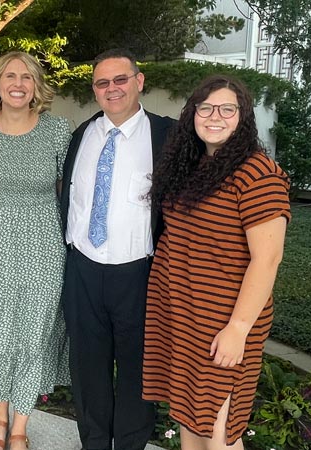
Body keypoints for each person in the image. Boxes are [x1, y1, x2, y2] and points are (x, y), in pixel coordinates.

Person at [143, 75, 290, 449]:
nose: (214, 117)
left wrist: (238, 329)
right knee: (190, 419)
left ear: (243, 117)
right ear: (192, 114)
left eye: (227, 109)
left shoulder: (258, 175)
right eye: (205, 108)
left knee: (220, 430)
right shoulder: (190, 168)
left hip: (224, 321)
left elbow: (267, 259)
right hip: (184, 315)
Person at [59, 48, 176, 450]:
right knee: (87, 368)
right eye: (102, 82)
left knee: (138, 371)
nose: (112, 89)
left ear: (139, 81)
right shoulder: (83, 135)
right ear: (95, 90)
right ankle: (93, 442)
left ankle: (129, 444)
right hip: (83, 269)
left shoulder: (169, 136)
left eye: (120, 79)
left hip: (139, 273)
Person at [0, 51, 71, 450]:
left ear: (36, 86)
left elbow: (68, 192)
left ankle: (20, 424)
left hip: (43, 239)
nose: (18, 84)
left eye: (27, 77)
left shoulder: (58, 130)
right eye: (10, 76)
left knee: (33, 331)